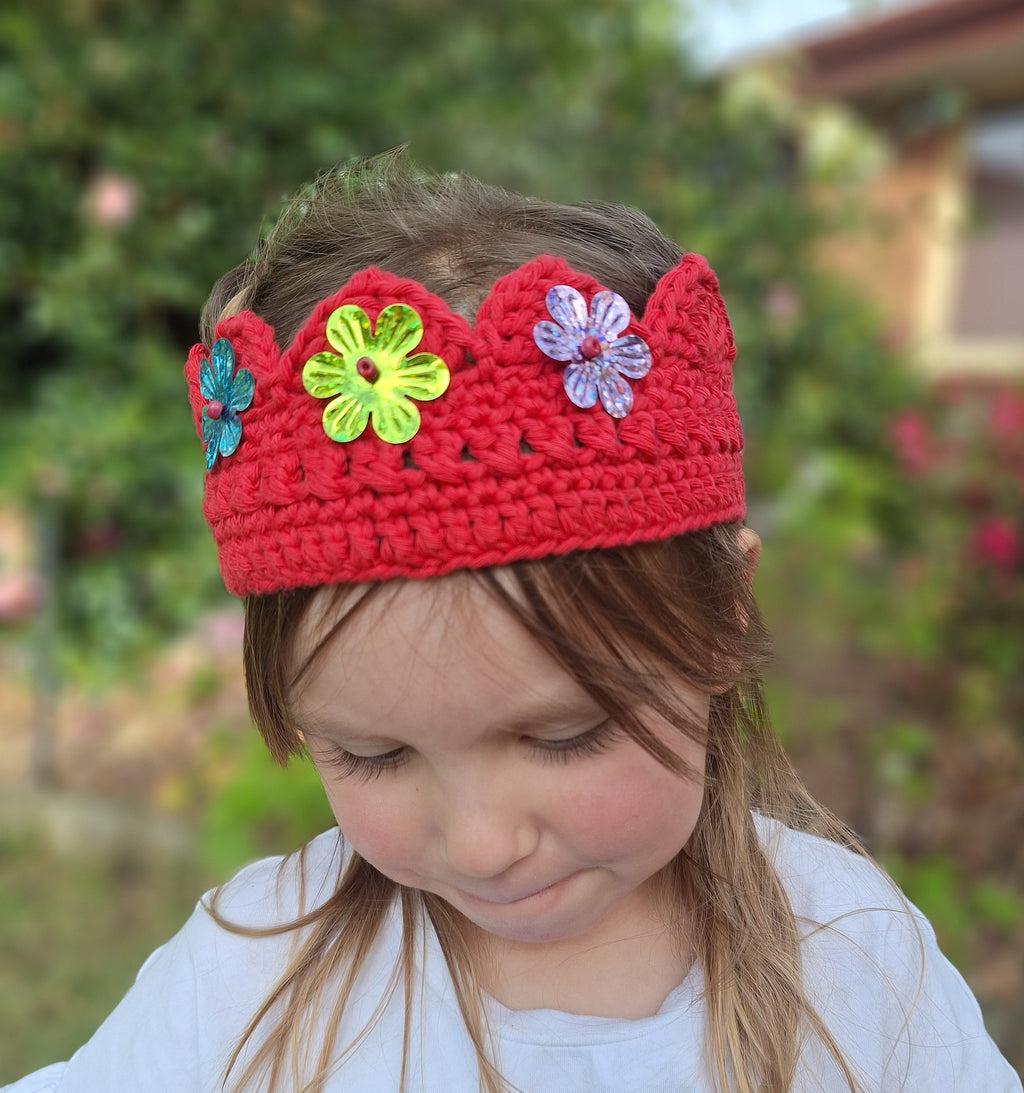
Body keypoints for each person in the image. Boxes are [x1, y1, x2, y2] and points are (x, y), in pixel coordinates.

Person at [5, 152, 1020, 1093]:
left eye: (564, 735)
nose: (484, 843)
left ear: (723, 615)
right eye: (372, 755)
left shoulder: (852, 961)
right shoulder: (245, 979)